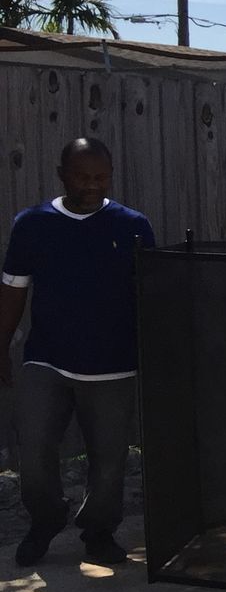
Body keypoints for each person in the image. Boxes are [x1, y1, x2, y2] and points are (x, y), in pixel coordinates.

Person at [0, 137, 155, 566]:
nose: (92, 185)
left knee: (109, 461)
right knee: (33, 451)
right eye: (82, 177)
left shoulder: (133, 226)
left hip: (113, 365)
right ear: (62, 175)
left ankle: (99, 532)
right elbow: (13, 291)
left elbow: (154, 295)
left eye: (101, 177)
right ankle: (45, 522)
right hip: (46, 359)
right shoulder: (31, 224)